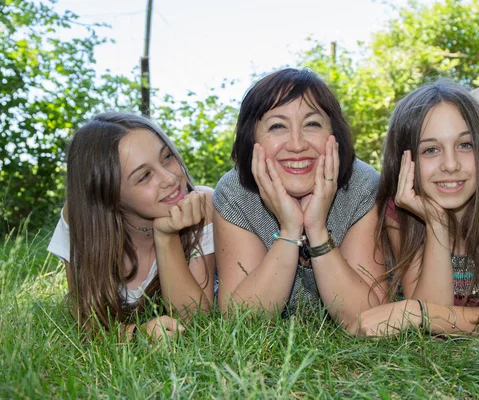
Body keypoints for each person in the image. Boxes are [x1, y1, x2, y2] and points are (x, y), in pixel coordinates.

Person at [354, 80, 479, 336]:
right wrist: (436, 224)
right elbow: (432, 325)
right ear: (405, 161)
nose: (450, 164)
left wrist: (416, 312)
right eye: (431, 149)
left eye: (465, 144)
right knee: (465, 174)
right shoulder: (400, 210)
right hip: (467, 182)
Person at [213, 68, 386, 329]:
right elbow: (242, 324)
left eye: (312, 124)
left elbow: (367, 320)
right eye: (277, 126)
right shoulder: (235, 194)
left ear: (334, 136)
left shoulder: (362, 186)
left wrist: (316, 229)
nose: (296, 144)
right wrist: (290, 230)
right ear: (251, 139)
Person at [47, 112, 215, 339]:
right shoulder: (80, 218)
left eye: (166, 157)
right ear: (109, 195)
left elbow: (195, 318)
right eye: (144, 176)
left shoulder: (202, 204)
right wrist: (136, 334)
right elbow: (86, 318)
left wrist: (167, 236)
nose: (169, 178)